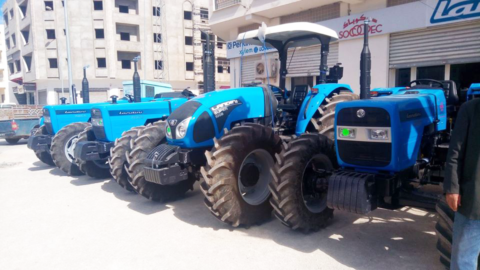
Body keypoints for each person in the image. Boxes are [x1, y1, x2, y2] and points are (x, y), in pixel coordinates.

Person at [444, 98, 480, 270]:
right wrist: (452, 188)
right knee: (464, 259)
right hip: (474, 199)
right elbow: (455, 152)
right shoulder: (471, 110)